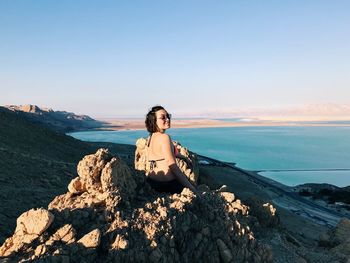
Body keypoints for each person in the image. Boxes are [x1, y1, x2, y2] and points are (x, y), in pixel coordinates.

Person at [145, 105, 198, 195]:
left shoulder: (151, 137)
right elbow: (172, 166)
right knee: (191, 187)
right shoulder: (164, 137)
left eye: (168, 116)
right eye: (163, 117)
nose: (168, 119)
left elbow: (162, 154)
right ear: (154, 121)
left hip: (151, 181)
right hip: (167, 184)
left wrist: (183, 158)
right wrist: (192, 189)